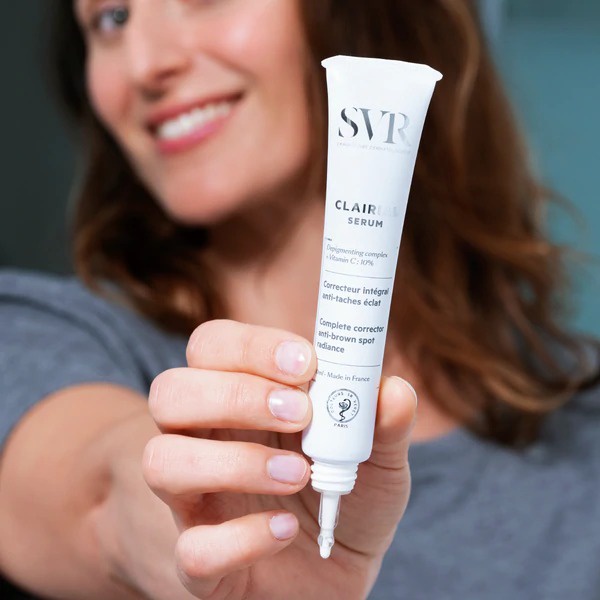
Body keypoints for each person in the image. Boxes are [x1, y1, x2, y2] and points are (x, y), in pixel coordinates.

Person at [0, 0, 599, 598]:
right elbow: (102, 499)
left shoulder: (581, 438)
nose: (146, 64)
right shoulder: (39, 336)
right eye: (111, 19)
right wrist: (204, 527)